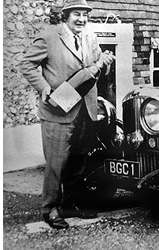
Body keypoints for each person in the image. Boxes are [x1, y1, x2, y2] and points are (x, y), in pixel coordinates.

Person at [20, 0, 115, 229]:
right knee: (56, 163)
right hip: (59, 108)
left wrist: (105, 62)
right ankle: (50, 209)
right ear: (66, 15)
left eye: (85, 15)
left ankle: (71, 204)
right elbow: (26, 65)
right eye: (76, 14)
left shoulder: (91, 37)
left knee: (79, 159)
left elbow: (99, 69)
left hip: (86, 109)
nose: (82, 19)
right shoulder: (49, 37)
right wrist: (44, 88)